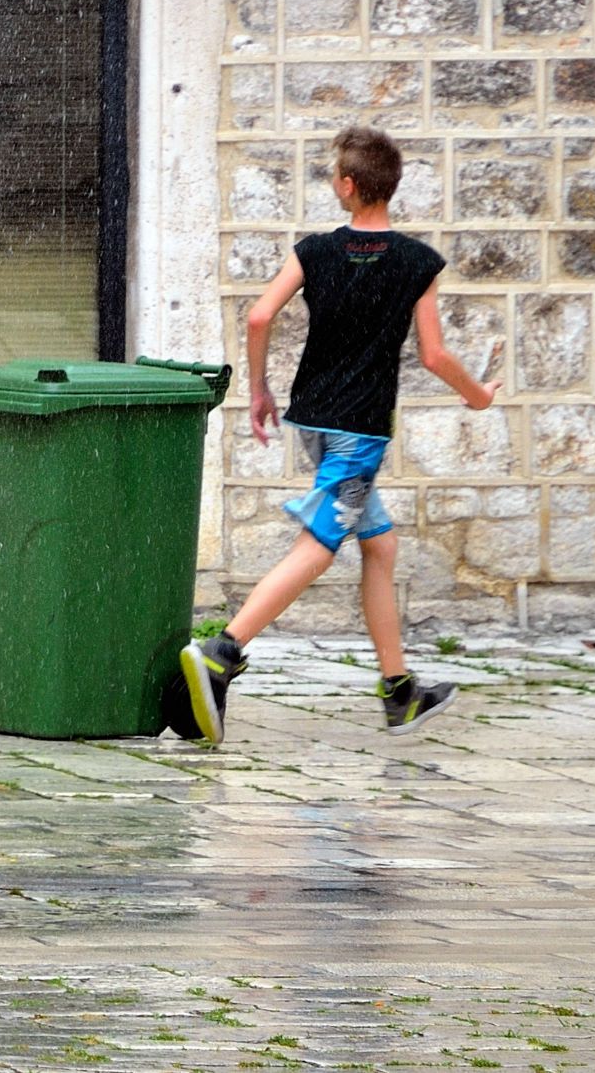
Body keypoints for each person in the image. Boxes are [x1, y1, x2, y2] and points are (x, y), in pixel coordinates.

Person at [180, 126, 500, 742]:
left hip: (315, 420)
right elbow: (435, 355)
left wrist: (260, 390)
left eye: (334, 175)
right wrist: (479, 394)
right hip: (359, 433)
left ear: (349, 187)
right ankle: (222, 651)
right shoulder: (417, 263)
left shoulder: (314, 251)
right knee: (320, 543)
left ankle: (399, 692)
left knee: (379, 546)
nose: (333, 182)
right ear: (390, 186)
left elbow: (258, 315)